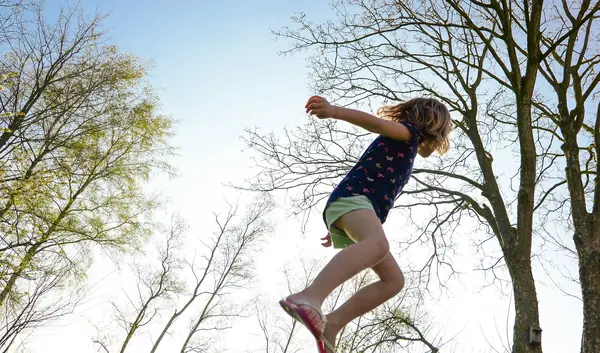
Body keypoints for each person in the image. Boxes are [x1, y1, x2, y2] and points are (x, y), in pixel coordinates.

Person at [279, 95, 453, 353]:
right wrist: (334, 110)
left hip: (355, 207)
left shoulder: (409, 145)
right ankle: (309, 296)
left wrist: (340, 224)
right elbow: (374, 123)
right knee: (377, 244)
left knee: (393, 281)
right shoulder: (406, 133)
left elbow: (427, 152)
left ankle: (332, 325)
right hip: (354, 200)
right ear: (431, 123)